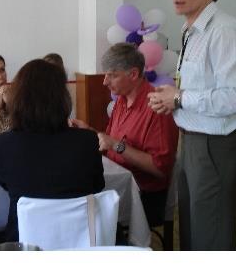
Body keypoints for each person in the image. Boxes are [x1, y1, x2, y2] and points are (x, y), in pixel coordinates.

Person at [147, 0, 236, 250]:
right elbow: (198, 88)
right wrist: (172, 100)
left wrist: (180, 97)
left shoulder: (223, 30)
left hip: (214, 147)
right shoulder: (189, 30)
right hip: (191, 142)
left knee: (211, 238)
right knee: (193, 233)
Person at [0, 59, 105, 241]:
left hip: (25, 241)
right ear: (63, 98)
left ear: (18, 98)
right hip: (81, 241)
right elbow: (97, 185)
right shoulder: (87, 140)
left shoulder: (4, 145)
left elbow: (4, 182)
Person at [70, 43, 178, 228]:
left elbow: (160, 169)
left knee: (83, 214)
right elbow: (110, 141)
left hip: (144, 196)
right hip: (118, 185)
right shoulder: (121, 99)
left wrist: (116, 145)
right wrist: (89, 132)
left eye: (112, 75)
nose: (104, 81)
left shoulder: (157, 106)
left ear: (133, 74)